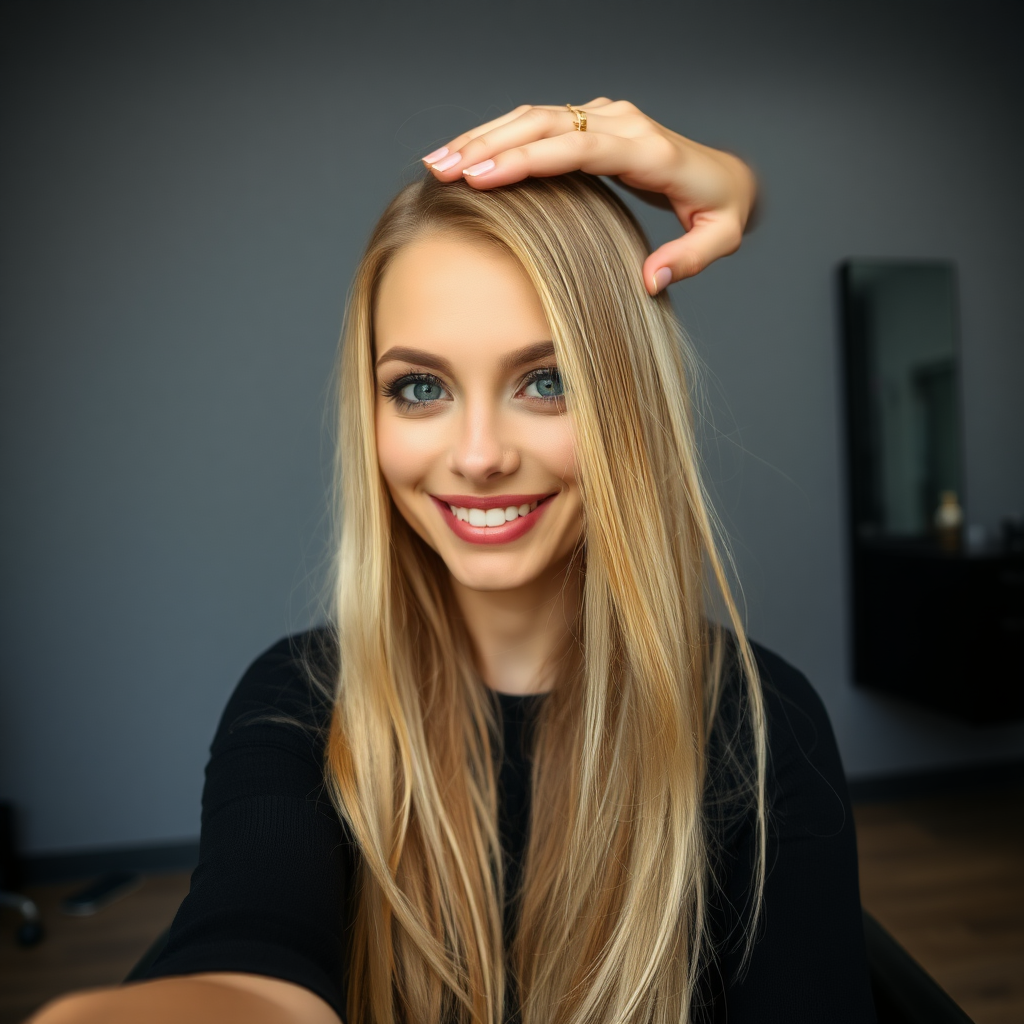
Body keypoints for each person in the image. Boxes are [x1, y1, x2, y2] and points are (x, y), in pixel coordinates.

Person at [32, 101, 875, 1024]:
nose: (477, 456)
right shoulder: (302, 701)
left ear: (630, 403)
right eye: (420, 388)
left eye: (546, 382)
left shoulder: (760, 722)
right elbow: (251, 958)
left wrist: (744, 185)